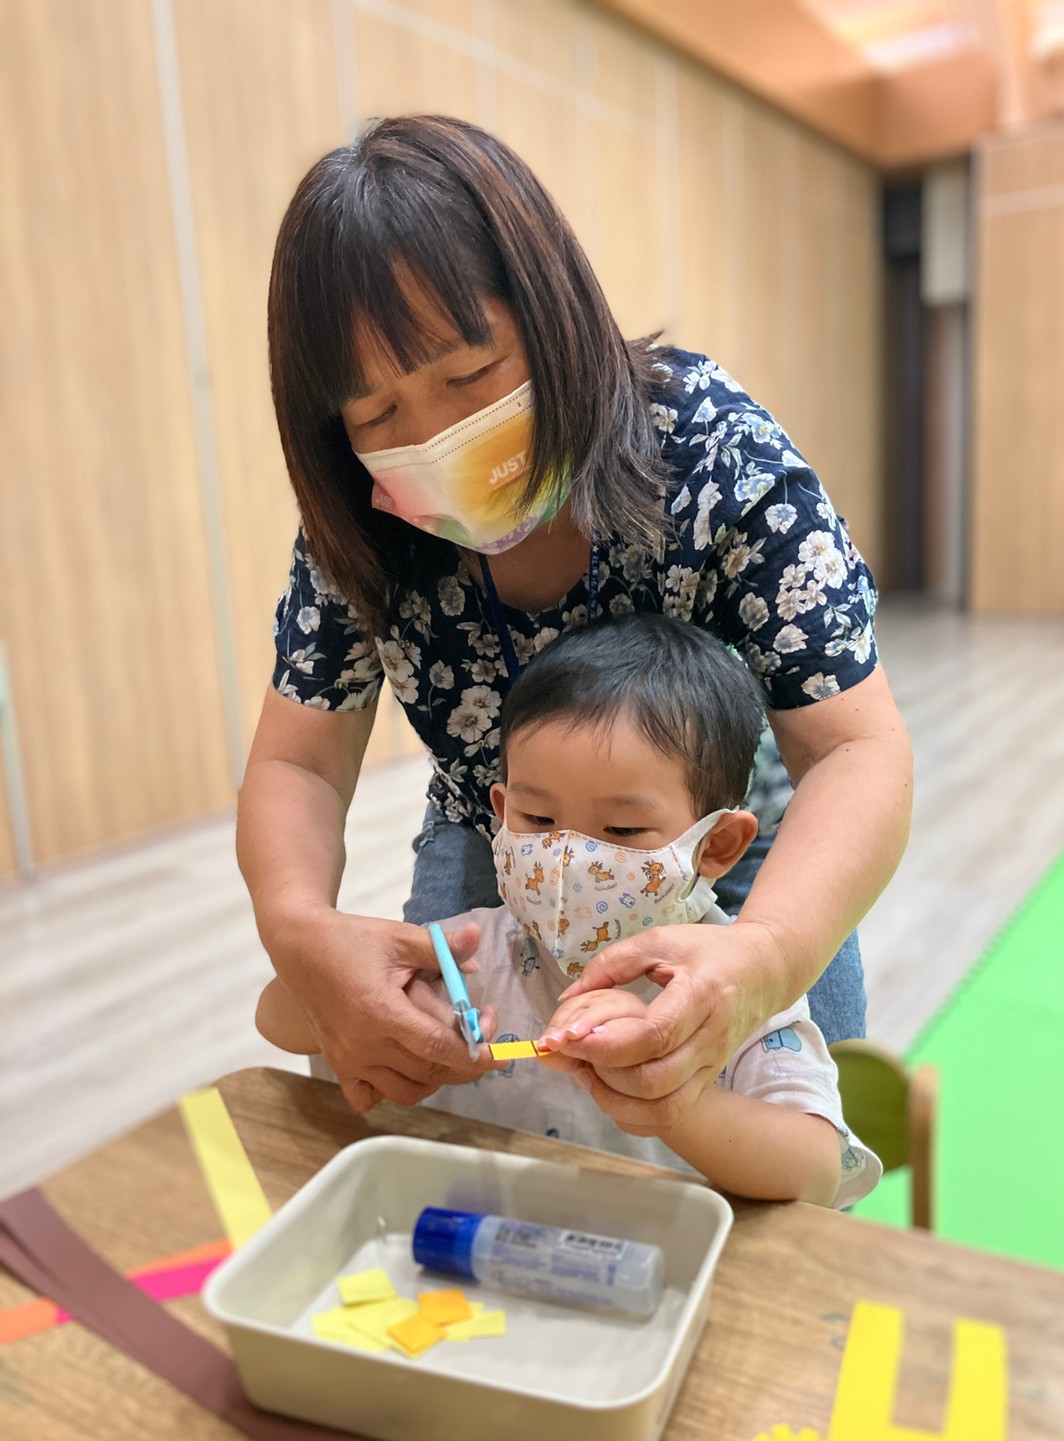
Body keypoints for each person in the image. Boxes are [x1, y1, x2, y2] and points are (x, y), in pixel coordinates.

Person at [238, 113, 913, 1125]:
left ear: (551, 312)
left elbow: (856, 747)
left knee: (778, 1167)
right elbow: (297, 760)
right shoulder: (358, 519)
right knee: (465, 1129)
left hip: (713, 851)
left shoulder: (712, 451)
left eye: (468, 377)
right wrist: (298, 928)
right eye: (377, 415)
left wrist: (766, 952)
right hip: (503, 833)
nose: (432, 437)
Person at [257, 617, 881, 1208]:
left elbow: (818, 1172)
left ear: (715, 845)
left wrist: (671, 1093)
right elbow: (277, 1018)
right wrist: (360, 997)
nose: (569, 857)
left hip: (661, 1278)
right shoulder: (467, 956)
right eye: (537, 820)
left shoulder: (733, 989)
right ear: (500, 811)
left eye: (621, 827)